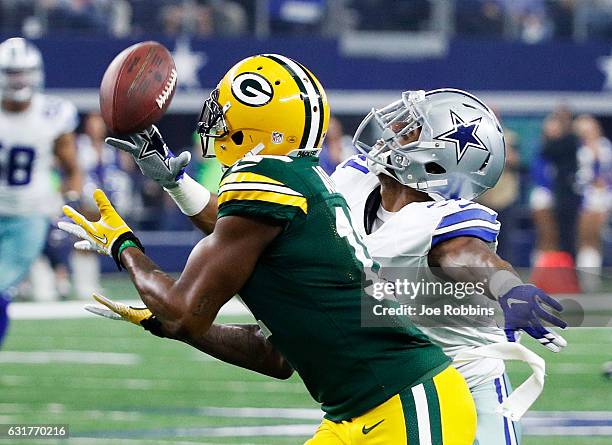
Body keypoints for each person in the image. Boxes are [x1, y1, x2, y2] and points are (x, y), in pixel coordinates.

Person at [61, 54, 478, 444]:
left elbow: (185, 313)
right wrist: (174, 187)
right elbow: (275, 356)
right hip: (361, 413)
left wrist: (124, 247)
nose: (216, 123)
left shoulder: (263, 176)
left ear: (256, 121)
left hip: (407, 405)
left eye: (224, 112)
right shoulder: (297, 181)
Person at [340, 89, 567, 445]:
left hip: (465, 390)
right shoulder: (353, 181)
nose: (393, 130)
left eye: (410, 130)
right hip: (381, 388)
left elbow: (467, 254)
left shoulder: (437, 221)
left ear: (437, 160)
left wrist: (507, 287)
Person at [0, 37, 80, 346]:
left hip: (26, 218)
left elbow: (71, 168)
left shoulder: (53, 114)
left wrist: (68, 207)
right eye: (11, 73)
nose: (18, 81)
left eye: (24, 73)